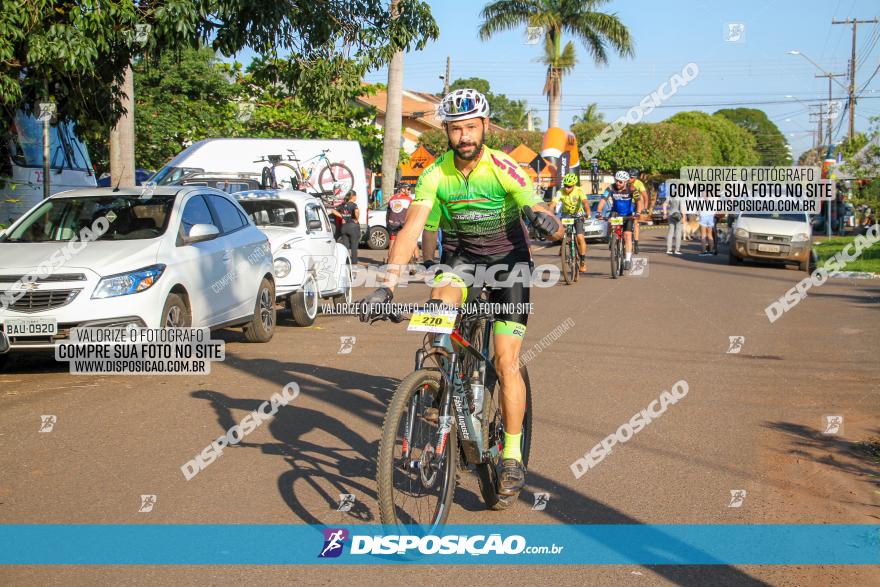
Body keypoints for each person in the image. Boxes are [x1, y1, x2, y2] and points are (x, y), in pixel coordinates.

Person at [357, 88, 562, 500]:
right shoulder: (435, 174)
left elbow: (544, 214)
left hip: (510, 265)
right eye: (455, 129)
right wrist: (387, 284)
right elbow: (413, 228)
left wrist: (548, 225)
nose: (464, 136)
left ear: (485, 126)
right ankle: (438, 384)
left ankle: (511, 455)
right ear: (446, 133)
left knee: (506, 361)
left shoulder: (504, 168)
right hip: (462, 261)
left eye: (471, 127)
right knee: (436, 319)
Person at [598, 170, 642, 270]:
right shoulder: (610, 188)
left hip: (628, 214)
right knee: (610, 222)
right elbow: (603, 200)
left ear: (626, 182)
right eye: (617, 180)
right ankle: (612, 239)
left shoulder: (631, 188)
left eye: (620, 182)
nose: (618, 183)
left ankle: (627, 259)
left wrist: (638, 212)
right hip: (615, 213)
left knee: (627, 235)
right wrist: (599, 212)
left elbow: (639, 201)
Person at [552, 172, 591, 273]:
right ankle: (563, 245)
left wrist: (588, 212)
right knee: (561, 230)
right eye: (565, 186)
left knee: (579, 237)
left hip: (578, 214)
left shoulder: (579, 190)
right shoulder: (560, 191)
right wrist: (549, 213)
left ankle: (582, 261)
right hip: (566, 214)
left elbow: (585, 202)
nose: (566, 188)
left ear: (573, 185)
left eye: (569, 186)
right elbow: (553, 203)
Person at [328, 191, 360, 265]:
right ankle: (354, 264)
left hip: (344, 227)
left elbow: (333, 210)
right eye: (356, 196)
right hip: (353, 227)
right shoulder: (354, 205)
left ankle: (345, 262)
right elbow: (356, 212)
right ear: (353, 197)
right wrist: (356, 218)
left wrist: (342, 216)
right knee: (354, 247)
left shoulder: (342, 205)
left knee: (345, 247)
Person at [627, 168, 648, 254]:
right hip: (626, 203)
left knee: (635, 223)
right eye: (629, 177)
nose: (629, 179)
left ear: (635, 178)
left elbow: (645, 197)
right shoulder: (624, 182)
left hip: (636, 204)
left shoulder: (639, 184)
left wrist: (645, 208)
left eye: (631, 177)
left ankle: (636, 243)